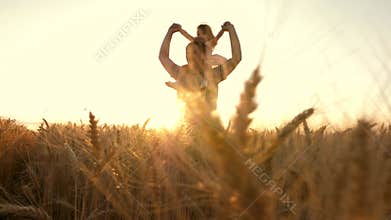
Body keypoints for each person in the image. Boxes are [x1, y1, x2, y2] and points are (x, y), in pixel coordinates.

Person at [159, 21, 241, 113]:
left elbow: (236, 58)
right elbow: (163, 57)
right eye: (188, 53)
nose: (190, 56)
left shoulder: (213, 75)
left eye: (195, 53)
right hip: (186, 125)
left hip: (208, 125)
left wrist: (231, 30)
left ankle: (181, 87)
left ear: (203, 56)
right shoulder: (181, 72)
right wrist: (170, 32)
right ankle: (181, 87)